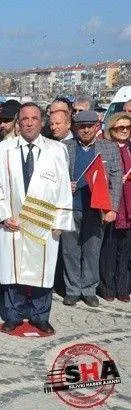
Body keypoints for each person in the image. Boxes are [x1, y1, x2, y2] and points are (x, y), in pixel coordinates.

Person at [0, 103, 74, 334]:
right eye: (24, 119)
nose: (28, 123)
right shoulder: (4, 149)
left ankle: (40, 315)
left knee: (42, 270)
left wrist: (60, 220)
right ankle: (13, 315)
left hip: (43, 222)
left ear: (42, 122)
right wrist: (4, 216)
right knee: (13, 270)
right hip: (12, 222)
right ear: (18, 122)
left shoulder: (57, 150)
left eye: (34, 118)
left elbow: (64, 187)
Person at [61, 111, 122, 307]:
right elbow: (54, 175)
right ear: (75, 128)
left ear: (97, 127)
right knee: (70, 251)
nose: (86, 130)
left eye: (90, 126)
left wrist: (113, 208)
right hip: (71, 208)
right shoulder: (64, 147)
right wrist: (64, 185)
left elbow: (116, 179)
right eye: (81, 126)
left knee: (92, 251)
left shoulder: (109, 148)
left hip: (97, 209)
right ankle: (72, 290)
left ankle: (88, 289)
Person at [99, 112, 131, 302]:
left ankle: (123, 288)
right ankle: (108, 288)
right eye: (121, 127)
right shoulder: (106, 147)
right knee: (109, 248)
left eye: (128, 127)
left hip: (129, 203)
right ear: (111, 129)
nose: (125, 130)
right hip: (112, 202)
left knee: (126, 249)